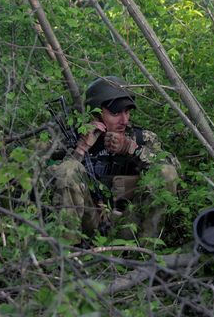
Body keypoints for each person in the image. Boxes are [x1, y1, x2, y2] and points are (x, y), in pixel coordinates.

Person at [49, 76, 179, 244]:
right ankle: (70, 257)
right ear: (96, 113)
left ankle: (145, 254)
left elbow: (173, 168)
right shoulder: (73, 138)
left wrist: (132, 149)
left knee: (166, 172)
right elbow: (51, 179)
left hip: (130, 225)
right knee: (67, 170)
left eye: (127, 111)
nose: (124, 120)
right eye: (116, 113)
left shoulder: (141, 137)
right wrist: (81, 149)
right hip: (89, 225)